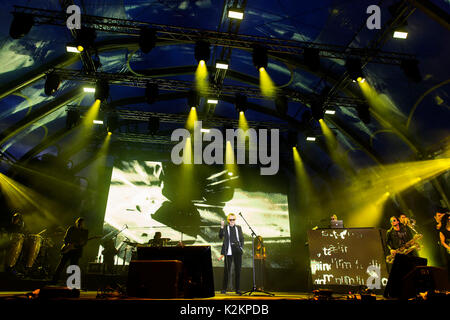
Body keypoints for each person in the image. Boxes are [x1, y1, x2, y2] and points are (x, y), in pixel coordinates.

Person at [53, 217, 89, 282]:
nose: (80, 224)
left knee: (73, 267)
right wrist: (68, 245)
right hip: (68, 249)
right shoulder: (71, 228)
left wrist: (78, 245)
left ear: (83, 224)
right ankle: (54, 280)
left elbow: (84, 242)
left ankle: (72, 282)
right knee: (61, 265)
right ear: (76, 222)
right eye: (79, 222)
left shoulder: (85, 231)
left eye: (81, 223)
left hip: (76, 251)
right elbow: (66, 238)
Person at [218, 213, 244, 294]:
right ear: (228, 220)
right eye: (230, 219)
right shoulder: (225, 227)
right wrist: (221, 227)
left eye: (233, 219)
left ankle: (237, 289)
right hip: (229, 250)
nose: (232, 221)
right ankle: (224, 289)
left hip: (237, 250)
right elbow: (220, 236)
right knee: (227, 270)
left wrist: (241, 248)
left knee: (238, 271)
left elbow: (242, 238)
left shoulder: (238, 228)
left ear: (235, 220)